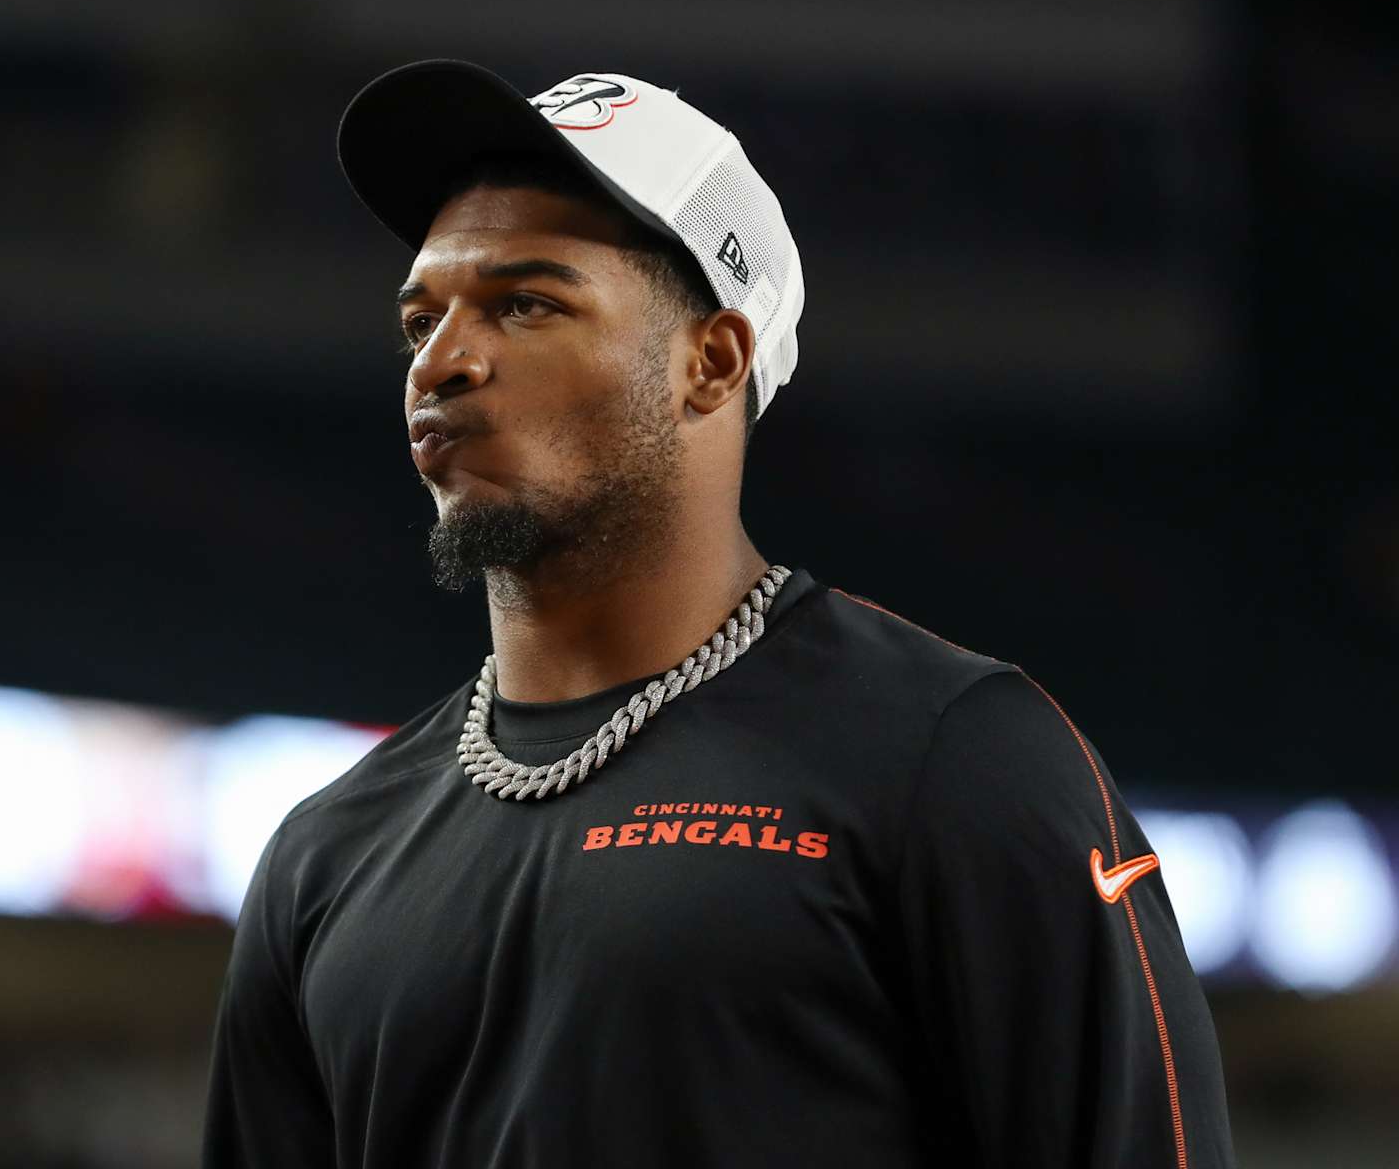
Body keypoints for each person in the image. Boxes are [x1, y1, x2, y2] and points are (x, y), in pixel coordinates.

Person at [201, 60, 1234, 1168]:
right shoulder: (328, 852)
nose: (441, 363)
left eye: (527, 304)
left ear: (712, 359)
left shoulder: (955, 756)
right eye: (422, 320)